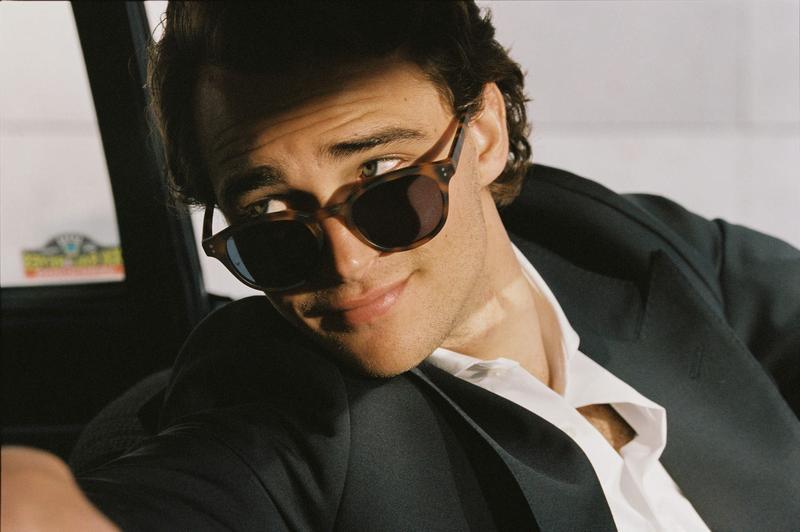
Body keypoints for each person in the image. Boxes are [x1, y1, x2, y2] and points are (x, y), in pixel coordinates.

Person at [3, 2, 799, 530]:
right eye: (271, 219)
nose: (346, 262)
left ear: (483, 135)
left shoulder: (616, 244)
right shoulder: (291, 409)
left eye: (383, 183)